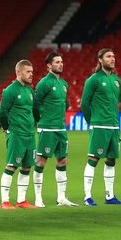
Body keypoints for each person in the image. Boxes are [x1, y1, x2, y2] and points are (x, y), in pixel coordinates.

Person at [80, 48, 121, 207]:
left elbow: (116, 101)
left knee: (111, 159)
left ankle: (110, 196)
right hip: (99, 125)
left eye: (113, 56)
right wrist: (91, 122)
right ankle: (87, 196)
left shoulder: (117, 80)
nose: (112, 59)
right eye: (108, 56)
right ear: (100, 59)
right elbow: (84, 103)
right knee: (93, 158)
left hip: (114, 125)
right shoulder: (94, 79)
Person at [33, 51, 78, 208]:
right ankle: (38, 197)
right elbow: (35, 103)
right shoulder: (44, 83)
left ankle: (61, 197)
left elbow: (64, 103)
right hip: (47, 128)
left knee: (62, 160)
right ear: (49, 66)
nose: (61, 64)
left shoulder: (64, 84)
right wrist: (40, 120)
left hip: (61, 128)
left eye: (61, 61)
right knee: (41, 161)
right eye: (57, 62)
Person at [0, 60, 38, 210]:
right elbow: (2, 112)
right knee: (12, 166)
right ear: (19, 73)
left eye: (32, 72)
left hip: (29, 134)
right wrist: (7, 129)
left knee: (27, 166)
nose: (31, 74)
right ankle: (5, 201)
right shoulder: (10, 90)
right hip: (17, 134)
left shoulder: (29, 91)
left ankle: (21, 200)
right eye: (28, 71)